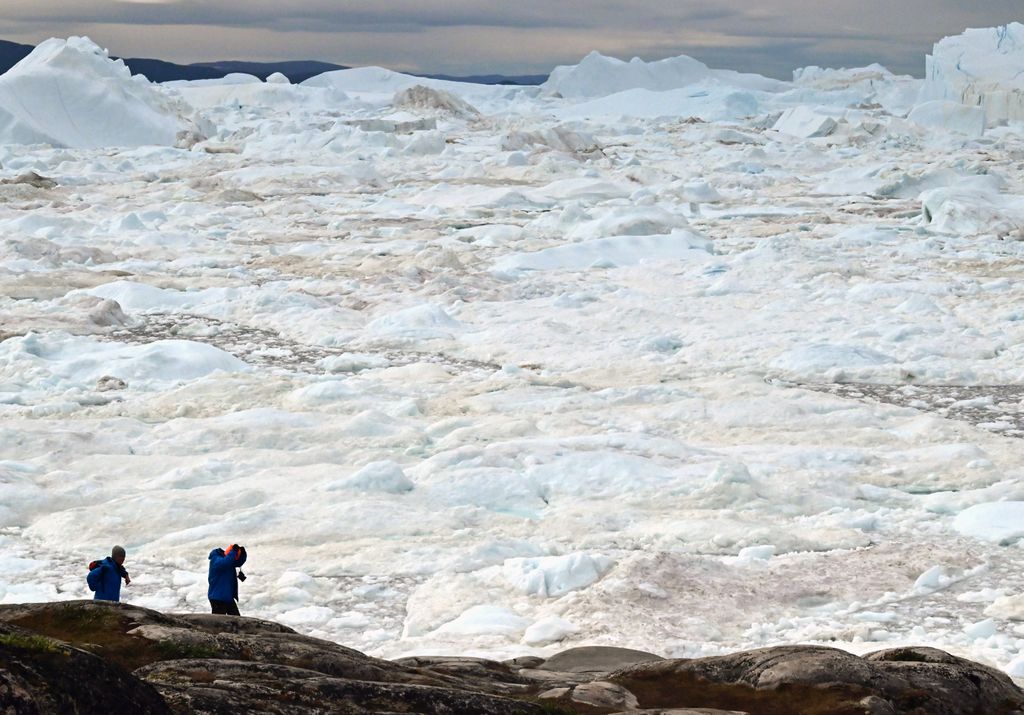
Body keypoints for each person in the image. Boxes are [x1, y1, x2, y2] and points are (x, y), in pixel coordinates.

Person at [208, 544, 247, 616]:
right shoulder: (215, 559)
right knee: (219, 622)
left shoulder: (229, 560)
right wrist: (233, 552)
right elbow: (224, 563)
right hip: (217, 597)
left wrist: (243, 554)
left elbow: (238, 562)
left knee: (236, 621)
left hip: (228, 597)